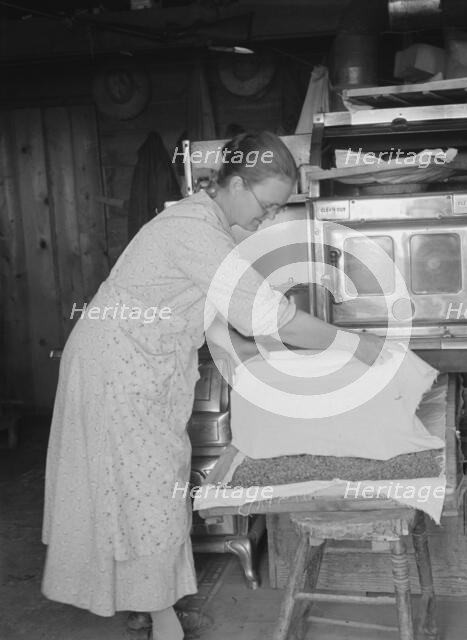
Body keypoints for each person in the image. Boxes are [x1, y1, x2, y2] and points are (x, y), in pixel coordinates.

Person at [42, 130, 385, 640]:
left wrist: (275, 380)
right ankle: (161, 623)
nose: (267, 218)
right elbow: (273, 317)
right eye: (267, 205)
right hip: (115, 368)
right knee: (149, 490)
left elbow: (228, 328)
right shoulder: (193, 230)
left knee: (146, 487)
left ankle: (146, 605)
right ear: (239, 184)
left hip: (134, 363)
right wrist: (357, 346)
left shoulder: (209, 229)